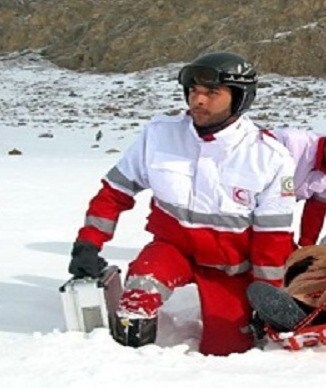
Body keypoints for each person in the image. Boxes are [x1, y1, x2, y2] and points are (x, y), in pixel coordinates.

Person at [67, 51, 297, 356]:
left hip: (230, 269)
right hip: (173, 249)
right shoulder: (160, 135)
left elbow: (273, 239)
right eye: (193, 91)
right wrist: (88, 243)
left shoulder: (268, 157)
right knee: (137, 298)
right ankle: (129, 366)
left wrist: (266, 296)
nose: (198, 100)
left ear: (240, 97)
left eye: (212, 93)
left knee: (228, 350)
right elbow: (115, 192)